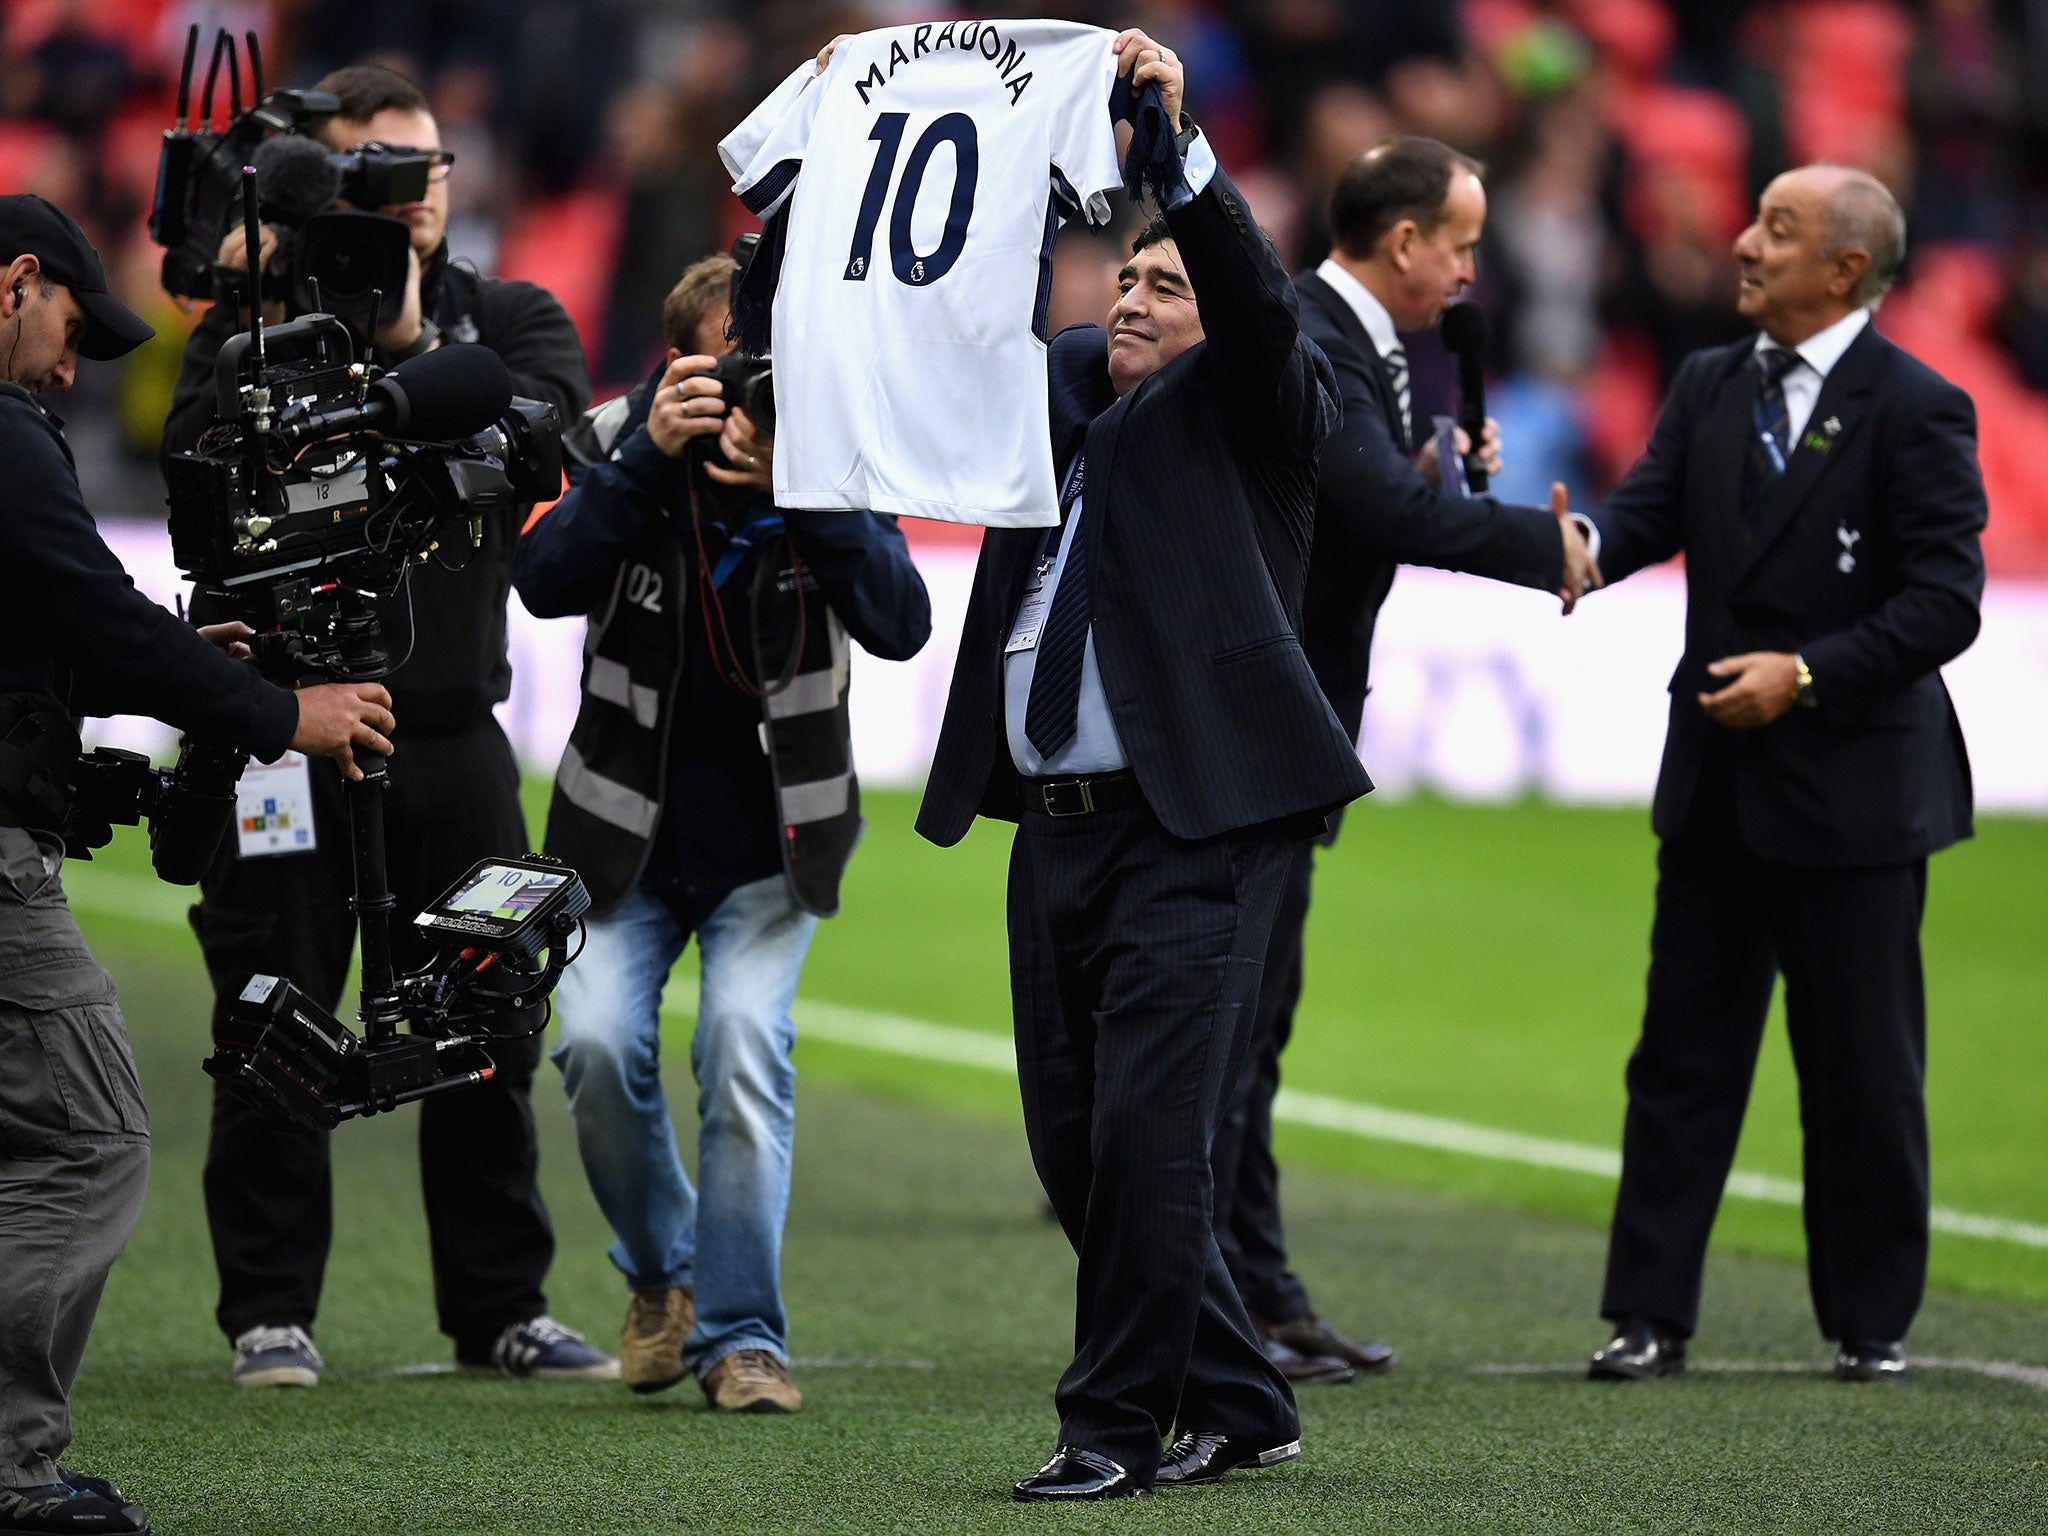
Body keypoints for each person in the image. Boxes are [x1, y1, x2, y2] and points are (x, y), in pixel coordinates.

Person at [915, 32, 1372, 1500]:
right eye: (1122, 277)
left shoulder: (1261, 409)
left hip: (1195, 834)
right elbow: (944, 336)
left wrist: (1175, 154)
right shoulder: (1054, 411)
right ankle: (1243, 1395)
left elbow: (1247, 300)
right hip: (1050, 831)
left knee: (1149, 1140)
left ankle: (1107, 1429)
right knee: (1077, 1150)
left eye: (1162, 285)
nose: (1133, 296)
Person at [160, 64, 605, 1388]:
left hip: (453, 731)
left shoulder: (507, 313)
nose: (404, 197)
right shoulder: (246, 333)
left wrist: (405, 351)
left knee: (487, 1024)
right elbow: (201, 510)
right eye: (369, 172)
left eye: (424, 167)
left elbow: (550, 442)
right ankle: (267, 1312)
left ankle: (499, 1308)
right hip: (284, 728)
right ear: (315, 181)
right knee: (269, 1012)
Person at [0, 193, 394, 1536]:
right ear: (15, 285)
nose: (75, 364)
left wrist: (93, 758)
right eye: (70, 328)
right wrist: (291, 716)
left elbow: (55, 640)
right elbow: (92, 613)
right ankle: (9, 1468)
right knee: (92, 1138)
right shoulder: (5, 434)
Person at [1582, 165, 1985, 1383]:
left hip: (1855, 797)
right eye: (1755, 220)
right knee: (1677, 1061)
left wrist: (1805, 676)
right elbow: (1634, 523)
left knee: (1861, 1068)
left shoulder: (1917, 406)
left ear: (1844, 270)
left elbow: (1943, 603)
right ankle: (1647, 1314)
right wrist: (1539, 535)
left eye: (1777, 228)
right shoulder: (1708, 382)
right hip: (1714, 783)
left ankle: (1869, 1321)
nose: (1744, 244)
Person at [1214, 135, 1602, 1385]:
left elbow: (1352, 503)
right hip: (1256, 733)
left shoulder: (1352, 345)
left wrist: (1419, 470)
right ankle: (1223, 1303)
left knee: (1253, 1031)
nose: (1467, 269)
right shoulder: (1318, 338)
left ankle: (1256, 1292)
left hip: (1293, 728)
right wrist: (1543, 547)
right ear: (1402, 244)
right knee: (1232, 1034)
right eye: (1460, 243)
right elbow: (1376, 515)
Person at [513, 255, 930, 1413]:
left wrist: (811, 489)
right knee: (592, 1047)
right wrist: (646, 455)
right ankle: (662, 1277)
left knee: (743, 1051)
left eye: (766, 362)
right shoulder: (617, 438)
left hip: (774, 841)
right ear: (674, 358)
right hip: (619, 835)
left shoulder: (834, 445)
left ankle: (743, 1338)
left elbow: (899, 623)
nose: (744, 388)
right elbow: (541, 581)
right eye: (721, 363)